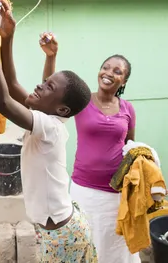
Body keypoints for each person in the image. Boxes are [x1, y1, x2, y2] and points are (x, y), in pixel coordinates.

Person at [0, 0, 97, 262]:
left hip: (62, 235)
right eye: (45, 82)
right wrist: (6, 37)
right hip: (59, 228)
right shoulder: (51, 118)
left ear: (62, 109)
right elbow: (11, 85)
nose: (38, 86)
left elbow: (1, 100)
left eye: (47, 87)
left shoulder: (50, 127)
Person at [41, 44, 138, 262]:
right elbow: (52, 92)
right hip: (84, 190)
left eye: (117, 71)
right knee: (84, 243)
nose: (109, 73)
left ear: (124, 81)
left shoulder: (127, 109)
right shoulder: (84, 101)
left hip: (116, 194)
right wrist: (51, 56)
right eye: (106, 67)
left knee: (113, 247)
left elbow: (130, 147)